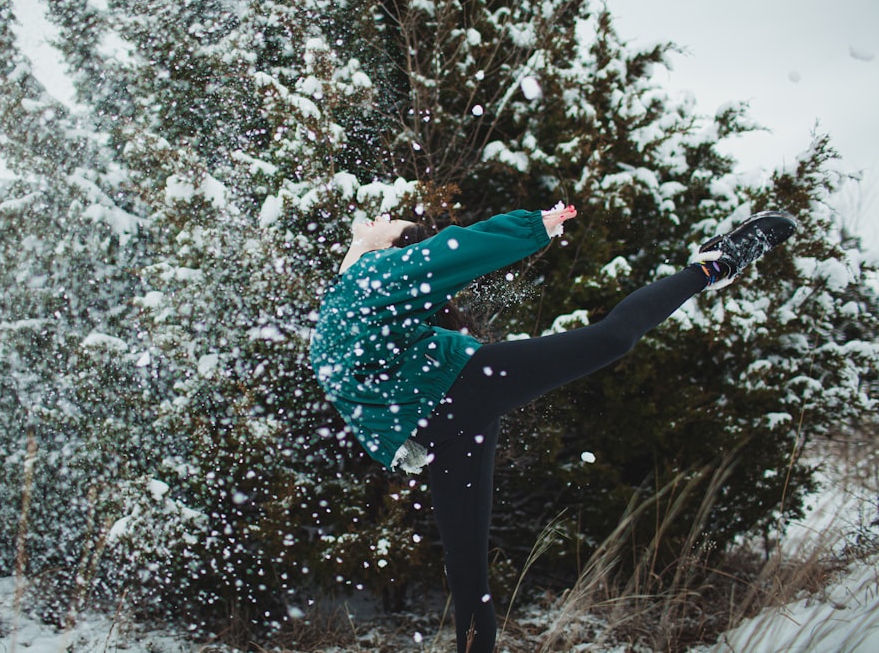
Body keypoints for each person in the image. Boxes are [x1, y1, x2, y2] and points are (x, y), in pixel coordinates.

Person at [309, 203, 797, 653]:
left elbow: (450, 249)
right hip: (444, 429)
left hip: (464, 392)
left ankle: (714, 263)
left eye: (392, 225)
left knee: (612, 338)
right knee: (466, 573)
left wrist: (529, 229)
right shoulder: (350, 290)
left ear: (393, 250)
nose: (385, 215)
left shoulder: (373, 277)